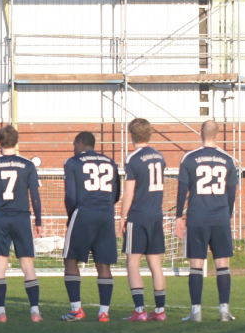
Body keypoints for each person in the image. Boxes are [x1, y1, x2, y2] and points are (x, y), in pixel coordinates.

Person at [175, 120, 238, 322]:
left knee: (196, 264)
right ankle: (224, 310)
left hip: (197, 216)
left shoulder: (190, 158)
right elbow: (231, 192)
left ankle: (196, 312)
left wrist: (178, 216)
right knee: (222, 264)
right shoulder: (228, 159)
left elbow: (182, 190)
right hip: (219, 216)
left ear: (201, 133)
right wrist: (226, 213)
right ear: (218, 135)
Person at [0, 125, 43, 323]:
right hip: (22, 218)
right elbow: (35, 196)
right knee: (27, 265)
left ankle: (1, 313)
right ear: (17, 141)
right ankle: (35, 312)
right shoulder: (27, 164)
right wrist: (38, 221)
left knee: (0, 265)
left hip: (0, 218)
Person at [62, 131, 121, 322]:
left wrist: (72, 216)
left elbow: (70, 196)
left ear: (79, 144)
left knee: (70, 259)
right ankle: (104, 312)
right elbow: (116, 193)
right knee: (103, 263)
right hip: (106, 213)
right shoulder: (110, 162)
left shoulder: (73, 162)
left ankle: (76, 310)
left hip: (83, 212)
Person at [120, 118, 168, 322]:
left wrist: (122, 216)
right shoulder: (159, 156)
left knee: (132, 262)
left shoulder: (133, 158)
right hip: (156, 214)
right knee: (155, 264)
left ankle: (139, 310)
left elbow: (129, 193)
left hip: (138, 215)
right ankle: (159, 310)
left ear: (131, 135)